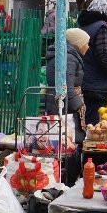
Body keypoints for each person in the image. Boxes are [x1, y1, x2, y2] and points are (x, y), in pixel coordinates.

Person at [44, 27, 89, 184]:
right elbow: (66, 87)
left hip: (61, 104)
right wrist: (79, 106)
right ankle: (67, 182)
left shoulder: (68, 55)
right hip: (64, 107)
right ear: (77, 44)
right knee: (67, 144)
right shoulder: (68, 58)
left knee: (64, 144)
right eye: (86, 43)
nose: (88, 47)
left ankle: (65, 179)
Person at [78, 0, 107, 125]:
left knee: (87, 119)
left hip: (87, 81)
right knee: (98, 123)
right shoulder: (101, 27)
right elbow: (103, 55)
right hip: (100, 85)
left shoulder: (84, 26)